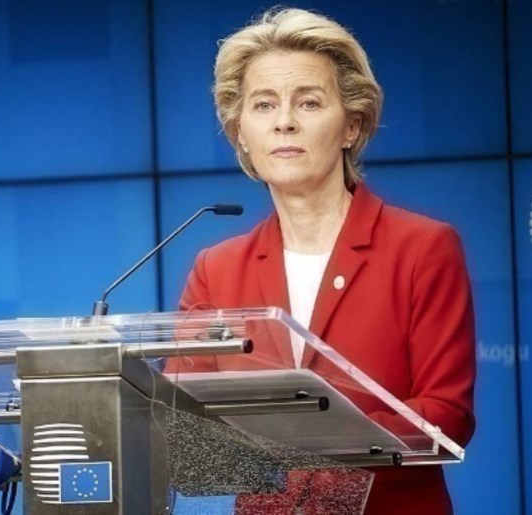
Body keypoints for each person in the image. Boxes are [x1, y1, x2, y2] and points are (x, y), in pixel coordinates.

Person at [167, 7, 476, 514]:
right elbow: (184, 424)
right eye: (263, 105)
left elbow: (446, 416)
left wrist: (305, 442)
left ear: (352, 126)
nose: (284, 121)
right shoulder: (215, 269)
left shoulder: (423, 247)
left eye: (308, 102)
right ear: (241, 132)